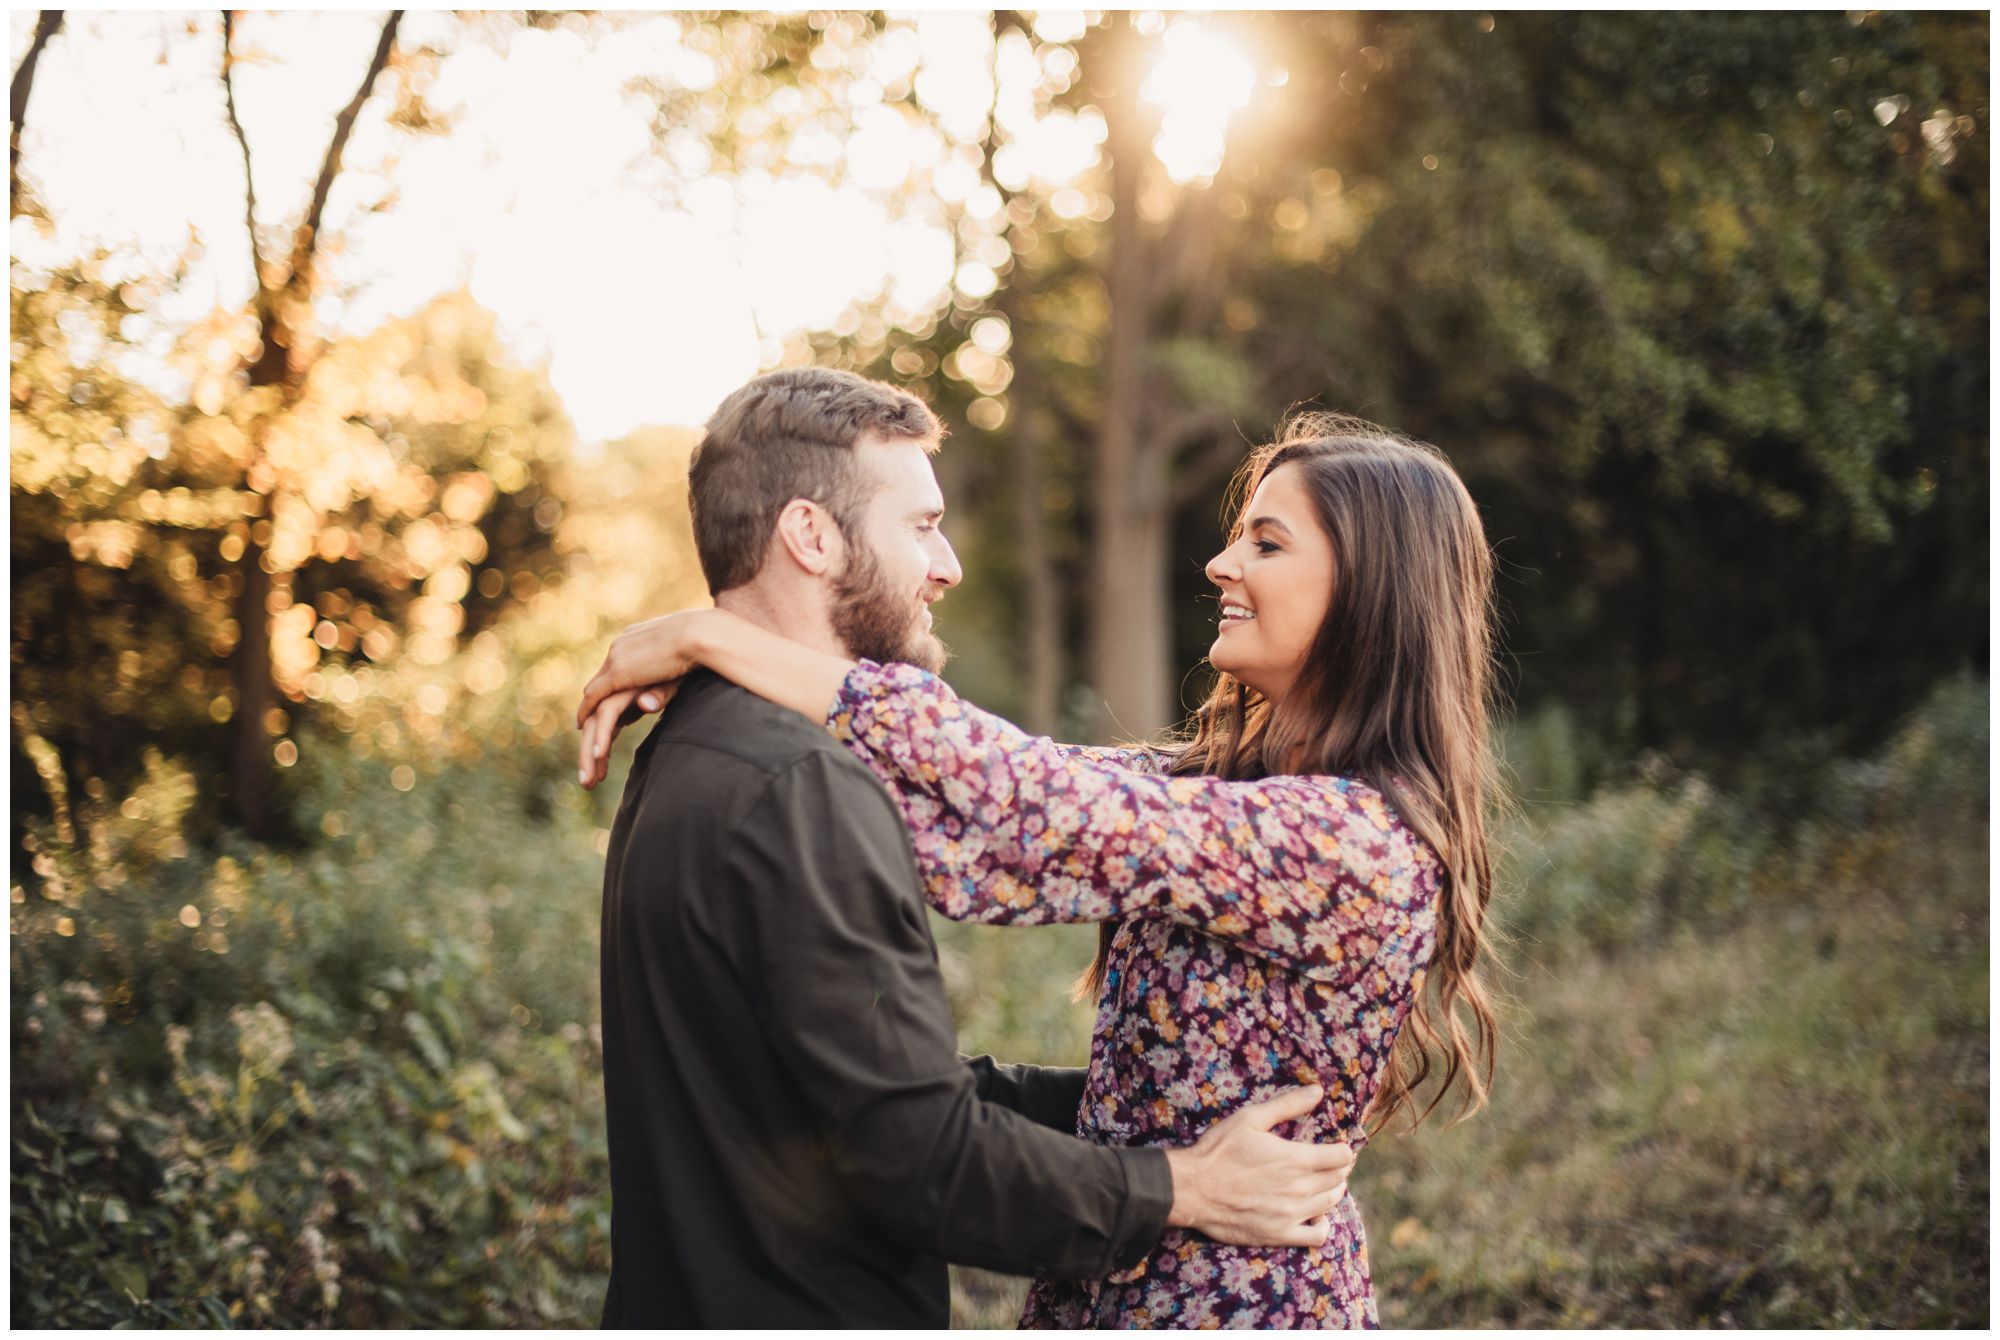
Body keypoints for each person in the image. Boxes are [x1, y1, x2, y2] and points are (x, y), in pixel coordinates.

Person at [580, 406, 1503, 1328]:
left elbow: (1033, 801)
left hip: (1236, 1305)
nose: (1221, 564)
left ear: (1371, 591)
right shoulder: (1213, 791)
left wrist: (718, 639)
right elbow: (1000, 795)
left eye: (1266, 543)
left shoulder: (1350, 841)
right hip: (1119, 1291)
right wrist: (737, 692)